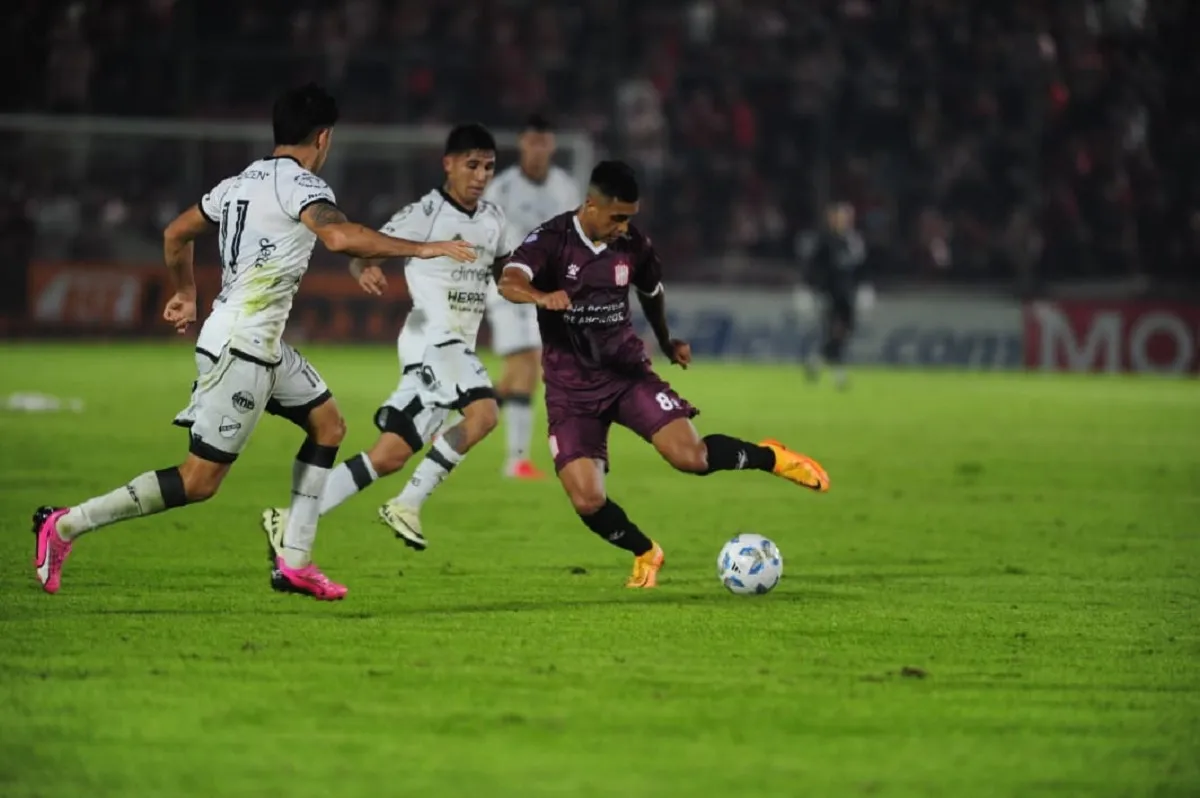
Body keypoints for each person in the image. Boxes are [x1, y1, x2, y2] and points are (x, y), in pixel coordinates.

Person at [31, 84, 476, 599]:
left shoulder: (238, 182)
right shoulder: (302, 186)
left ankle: (295, 560)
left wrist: (186, 292)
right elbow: (338, 236)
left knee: (329, 425)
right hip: (241, 349)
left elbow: (176, 233)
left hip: (257, 344)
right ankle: (64, 526)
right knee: (199, 481)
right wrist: (425, 248)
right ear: (324, 137)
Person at [497, 160, 830, 588]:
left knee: (691, 458)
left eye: (630, 217)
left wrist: (668, 339)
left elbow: (651, 290)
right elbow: (509, 281)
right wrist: (540, 295)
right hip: (570, 391)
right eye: (617, 217)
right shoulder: (552, 239)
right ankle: (645, 551)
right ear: (590, 206)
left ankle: (771, 457)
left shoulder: (632, 244)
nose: (624, 227)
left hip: (625, 375)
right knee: (586, 499)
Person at [261, 123, 512, 553]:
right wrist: (366, 269)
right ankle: (408, 504)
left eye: (488, 167)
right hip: (432, 339)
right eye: (471, 165)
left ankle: (290, 520)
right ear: (448, 164)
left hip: (456, 349)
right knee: (485, 414)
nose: (480, 175)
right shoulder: (424, 214)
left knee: (390, 455)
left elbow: (505, 275)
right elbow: (363, 250)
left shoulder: (494, 219)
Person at [482, 114, 581, 479]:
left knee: (518, 375)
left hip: (544, 291)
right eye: (532, 142)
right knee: (526, 362)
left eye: (544, 142)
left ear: (551, 145)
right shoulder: (502, 188)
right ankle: (515, 461)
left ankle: (458, 421)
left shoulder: (565, 188)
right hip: (508, 287)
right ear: (522, 144)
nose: (538, 149)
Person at [797, 201, 868, 389]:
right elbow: (811, 266)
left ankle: (815, 362)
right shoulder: (825, 240)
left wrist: (864, 286)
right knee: (834, 332)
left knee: (843, 333)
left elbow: (860, 267)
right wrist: (808, 289)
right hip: (829, 293)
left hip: (847, 294)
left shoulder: (854, 240)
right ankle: (839, 376)